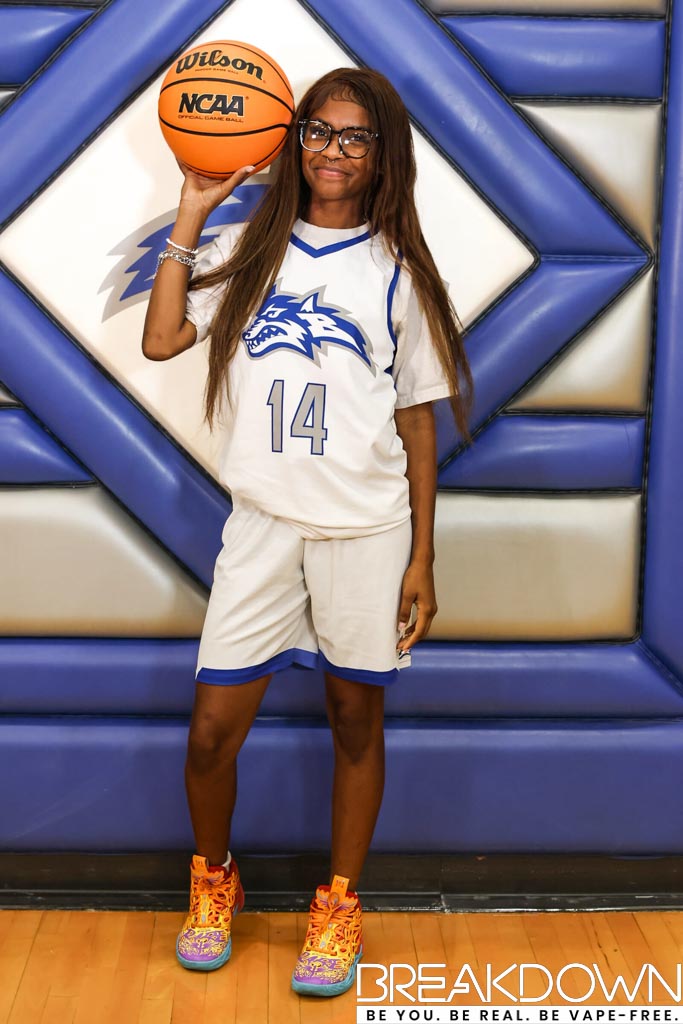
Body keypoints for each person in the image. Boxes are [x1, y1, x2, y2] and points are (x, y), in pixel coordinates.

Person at [142, 66, 473, 998]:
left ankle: (338, 903)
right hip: (263, 528)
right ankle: (214, 882)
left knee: (354, 720)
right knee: (211, 732)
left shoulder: (399, 274)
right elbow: (161, 340)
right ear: (295, 142)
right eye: (318, 131)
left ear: (382, 154)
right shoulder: (253, 253)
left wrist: (421, 556)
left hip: (366, 533)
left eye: (354, 136)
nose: (333, 150)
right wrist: (191, 211)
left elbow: (416, 422)